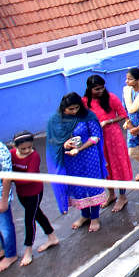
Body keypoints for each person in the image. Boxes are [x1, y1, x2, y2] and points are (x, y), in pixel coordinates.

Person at [46, 93, 108, 233]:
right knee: (78, 187)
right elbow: (53, 141)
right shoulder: (56, 120)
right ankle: (85, 215)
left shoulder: (88, 116)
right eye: (70, 109)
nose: (74, 112)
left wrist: (80, 148)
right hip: (70, 159)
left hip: (89, 156)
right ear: (63, 108)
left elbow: (96, 136)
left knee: (93, 185)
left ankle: (95, 217)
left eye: (76, 108)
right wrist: (65, 144)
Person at [83, 74, 133, 213]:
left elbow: (123, 114)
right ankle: (111, 194)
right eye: (97, 89)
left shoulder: (110, 98)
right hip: (97, 139)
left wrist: (108, 121)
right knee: (105, 166)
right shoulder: (85, 101)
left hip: (113, 136)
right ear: (90, 89)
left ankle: (122, 196)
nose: (100, 91)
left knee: (118, 165)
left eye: (102, 88)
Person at [10, 132, 58, 267]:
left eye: (29, 147)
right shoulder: (12, 153)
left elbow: (30, 177)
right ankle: (52, 237)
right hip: (21, 193)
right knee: (37, 214)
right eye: (23, 149)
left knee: (29, 219)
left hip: (34, 192)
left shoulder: (34, 156)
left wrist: (11, 178)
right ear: (15, 146)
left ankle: (28, 250)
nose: (26, 151)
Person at [0, 126, 16, 272]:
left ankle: (11, 255)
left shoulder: (0, 150)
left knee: (5, 227)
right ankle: (4, 250)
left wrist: (3, 200)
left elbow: (7, 178)